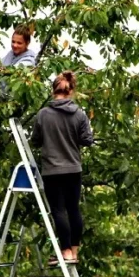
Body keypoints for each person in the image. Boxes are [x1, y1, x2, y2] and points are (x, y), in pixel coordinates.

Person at [31, 71, 93, 265]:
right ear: (71, 91)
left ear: (53, 91)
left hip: (52, 170)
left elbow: (35, 141)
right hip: (74, 169)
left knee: (58, 210)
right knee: (73, 209)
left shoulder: (43, 115)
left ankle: (65, 250)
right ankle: (74, 251)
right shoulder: (79, 114)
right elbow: (87, 141)